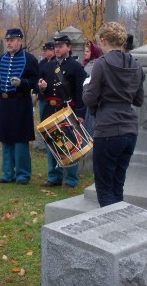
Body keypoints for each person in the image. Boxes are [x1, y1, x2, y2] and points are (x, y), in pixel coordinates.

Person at [83, 22, 145, 207]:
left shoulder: (101, 64)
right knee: (118, 186)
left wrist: (86, 86)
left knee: (104, 189)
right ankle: (119, 230)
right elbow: (139, 100)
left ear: (103, 40)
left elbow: (89, 99)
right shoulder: (136, 65)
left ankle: (109, 232)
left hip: (108, 130)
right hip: (129, 132)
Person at [38, 34, 87, 189]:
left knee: (69, 144)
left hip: (67, 110)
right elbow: (40, 90)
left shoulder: (76, 67)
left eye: (60, 46)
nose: (57, 49)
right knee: (51, 142)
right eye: (56, 46)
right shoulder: (47, 66)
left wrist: (80, 114)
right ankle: (54, 177)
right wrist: (41, 88)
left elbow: (81, 93)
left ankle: (71, 179)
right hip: (50, 109)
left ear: (68, 47)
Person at [0, 28, 38, 185]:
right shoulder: (1, 59)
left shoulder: (30, 59)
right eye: (8, 40)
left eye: (12, 40)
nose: (9, 43)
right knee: (5, 139)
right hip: (4, 103)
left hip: (20, 102)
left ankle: (23, 174)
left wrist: (22, 83)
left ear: (20, 41)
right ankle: (8, 173)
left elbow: (34, 80)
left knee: (20, 140)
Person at [82, 40, 102, 135]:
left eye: (88, 51)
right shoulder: (85, 64)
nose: (85, 54)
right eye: (85, 51)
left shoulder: (95, 65)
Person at [36, 42, 55, 121]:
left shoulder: (56, 62)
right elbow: (38, 77)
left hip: (54, 95)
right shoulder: (42, 63)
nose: (44, 52)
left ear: (52, 50)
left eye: (46, 50)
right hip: (42, 95)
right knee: (43, 117)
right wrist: (35, 91)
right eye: (43, 50)